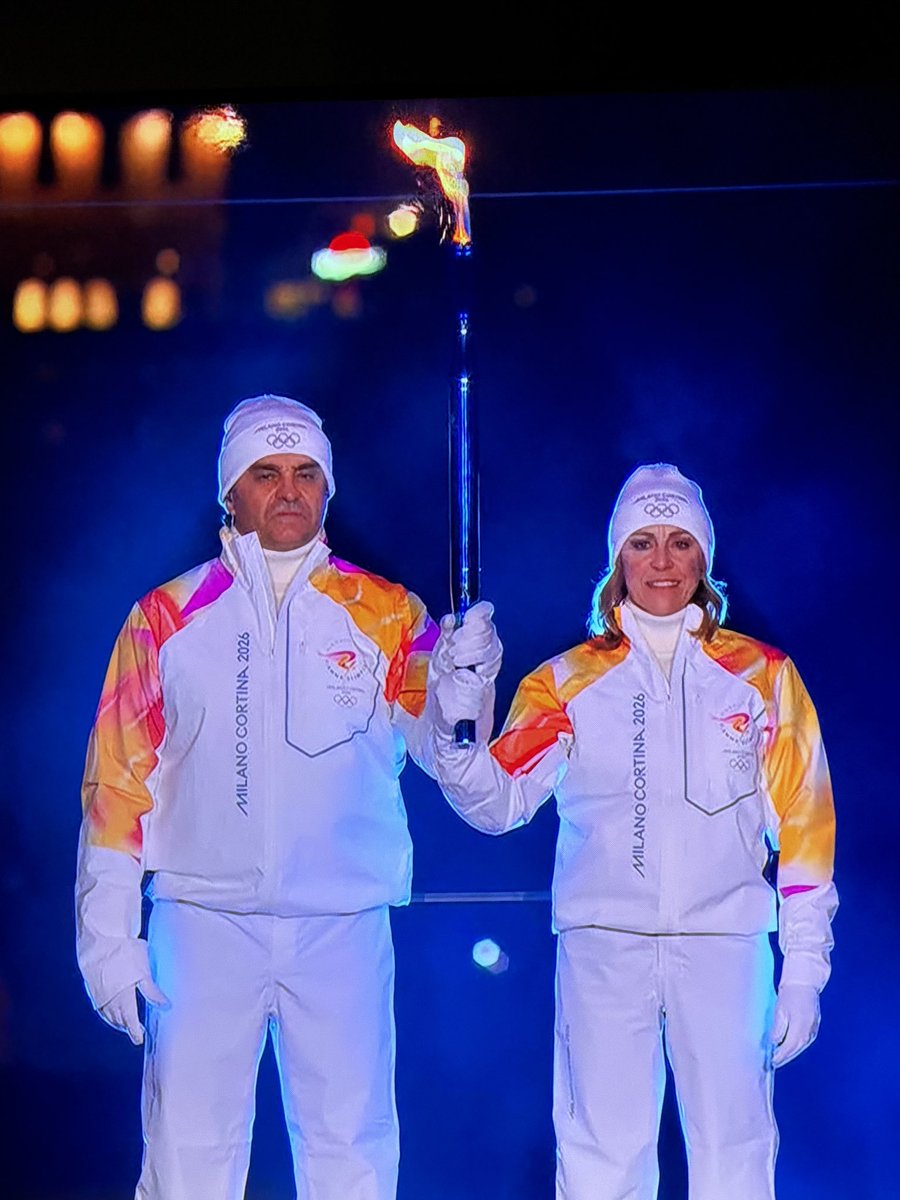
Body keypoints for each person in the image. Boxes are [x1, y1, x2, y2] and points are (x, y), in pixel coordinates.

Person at [75, 393, 498, 1200]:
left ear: (328, 489)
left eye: (306, 473)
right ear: (229, 493)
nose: (288, 490)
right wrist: (108, 939)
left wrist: (462, 683)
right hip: (201, 925)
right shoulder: (163, 618)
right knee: (186, 1159)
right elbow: (115, 784)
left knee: (353, 1155)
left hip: (340, 923)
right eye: (265, 475)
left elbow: (443, 751)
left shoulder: (387, 613)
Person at [427, 462, 837, 1200]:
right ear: (618, 556)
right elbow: (497, 803)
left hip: (726, 950)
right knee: (600, 1163)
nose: (661, 561)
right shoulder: (564, 682)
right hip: (603, 949)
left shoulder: (764, 676)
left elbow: (806, 828)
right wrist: (459, 719)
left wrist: (804, 968)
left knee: (736, 1160)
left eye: (679, 542)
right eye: (643, 542)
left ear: (703, 557)